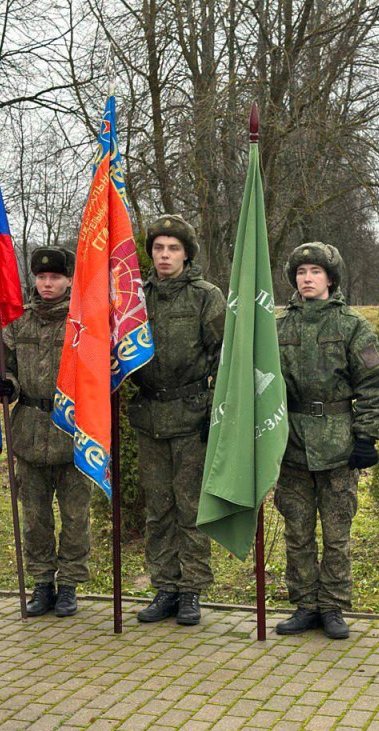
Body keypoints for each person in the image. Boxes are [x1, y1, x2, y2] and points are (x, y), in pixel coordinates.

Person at [273, 243, 379, 641]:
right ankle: (306, 604)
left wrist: (367, 437)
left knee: (336, 532)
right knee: (298, 531)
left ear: (331, 279)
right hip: (290, 443)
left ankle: (333, 605)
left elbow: (375, 384)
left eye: (315, 272)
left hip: (338, 443)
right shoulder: (278, 326)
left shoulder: (352, 326)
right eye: (301, 272)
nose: (307, 278)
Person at [128, 214, 225, 626]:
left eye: (173, 249)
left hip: (192, 417)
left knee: (190, 507)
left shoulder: (206, 296)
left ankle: (192, 591)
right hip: (150, 416)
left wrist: (214, 412)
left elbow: (224, 356)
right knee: (158, 509)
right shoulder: (132, 297)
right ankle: (165, 587)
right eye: (158, 248)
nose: (164, 256)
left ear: (186, 254)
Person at [1, 246, 93, 618]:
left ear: (69, 279)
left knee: (75, 517)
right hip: (28, 431)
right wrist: (8, 384)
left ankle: (69, 583)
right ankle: (42, 582)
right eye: (41, 277)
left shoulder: (82, 323)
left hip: (72, 433)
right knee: (35, 517)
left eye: (55, 277)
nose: (48, 283)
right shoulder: (18, 323)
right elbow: (5, 365)